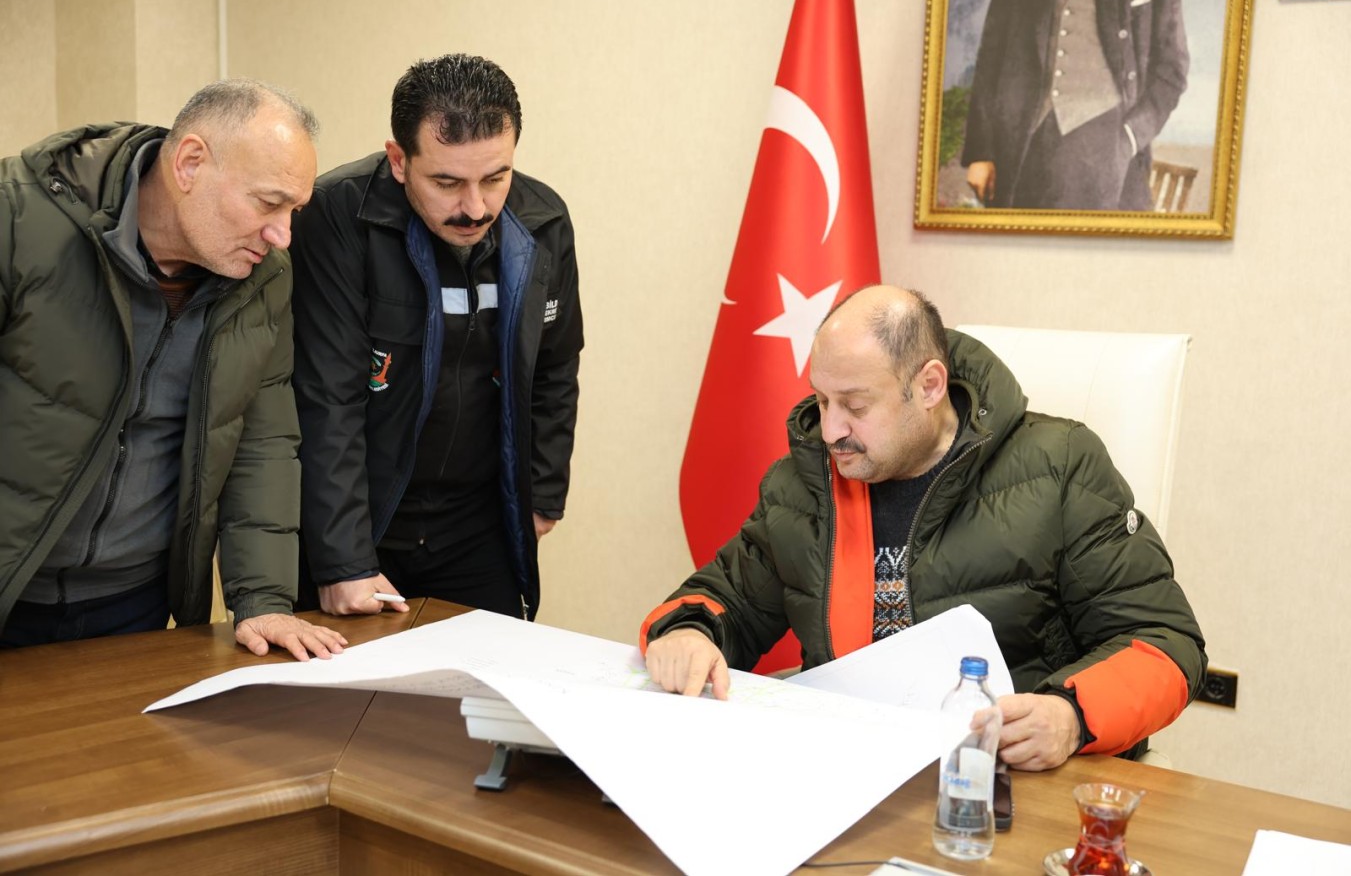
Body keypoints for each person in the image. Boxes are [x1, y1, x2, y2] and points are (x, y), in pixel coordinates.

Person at [641, 286, 1206, 771]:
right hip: (846, 770)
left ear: (930, 386)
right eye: (821, 399)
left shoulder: (1059, 466)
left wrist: (1071, 716)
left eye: (855, 405)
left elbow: (1165, 643)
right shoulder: (807, 481)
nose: (830, 429)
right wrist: (690, 634)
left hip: (1002, 782)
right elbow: (726, 601)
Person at [0, 79, 348, 661]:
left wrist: (263, 599)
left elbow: (262, 442)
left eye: (293, 211)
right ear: (189, 163)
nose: (282, 235)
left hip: (133, 605)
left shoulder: (265, 276)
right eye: (268, 203)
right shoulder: (16, 220)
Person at [291, 54, 583, 621]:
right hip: (362, 518)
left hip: (478, 525)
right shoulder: (338, 215)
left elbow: (555, 364)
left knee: (489, 676)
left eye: (495, 178)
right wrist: (343, 560)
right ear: (399, 160)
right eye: (447, 182)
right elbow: (327, 398)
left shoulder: (544, 222)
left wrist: (544, 494)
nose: (475, 208)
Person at [961, 0, 1188, 210]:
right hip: (1022, 145)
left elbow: (1172, 70)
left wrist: (1130, 136)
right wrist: (981, 151)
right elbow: (990, 58)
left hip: (1106, 148)